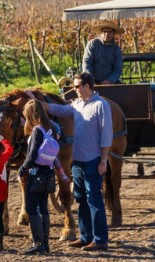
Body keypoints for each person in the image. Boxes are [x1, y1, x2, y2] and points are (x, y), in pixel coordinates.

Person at [36, 72, 112, 252]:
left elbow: (106, 135)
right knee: (80, 199)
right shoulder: (77, 105)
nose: (74, 90)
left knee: (94, 199)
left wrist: (103, 160)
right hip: (77, 161)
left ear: (86, 86)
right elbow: (58, 110)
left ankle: (100, 239)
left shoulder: (101, 105)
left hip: (93, 160)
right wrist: (36, 102)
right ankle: (85, 236)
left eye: (77, 86)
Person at [17, 100, 56, 255]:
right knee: (43, 208)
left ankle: (38, 243)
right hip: (48, 173)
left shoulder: (36, 131)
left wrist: (22, 169)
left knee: (31, 207)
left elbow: (32, 155)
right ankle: (45, 243)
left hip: (36, 174)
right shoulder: (50, 128)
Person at [82, 20, 124, 85]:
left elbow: (118, 69)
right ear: (101, 33)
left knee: (124, 90)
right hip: (92, 80)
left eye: (109, 32)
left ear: (113, 34)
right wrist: (90, 79)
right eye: (104, 31)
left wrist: (110, 80)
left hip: (110, 82)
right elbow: (87, 63)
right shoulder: (93, 44)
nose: (107, 34)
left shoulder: (116, 49)